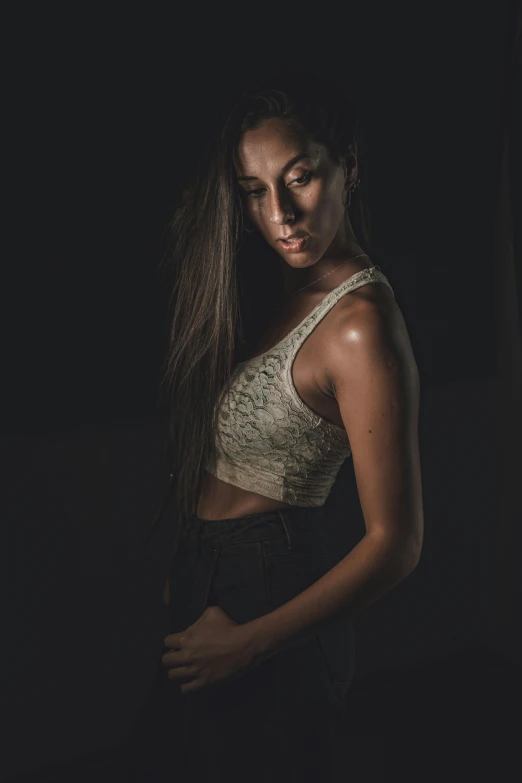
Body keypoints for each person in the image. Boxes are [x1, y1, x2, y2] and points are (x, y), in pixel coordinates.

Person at [129, 69, 424, 782]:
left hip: (273, 596)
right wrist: (195, 566)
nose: (281, 213)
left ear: (347, 170)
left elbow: (398, 542)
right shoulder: (281, 289)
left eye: (300, 178)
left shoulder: (359, 324)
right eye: (254, 191)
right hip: (214, 572)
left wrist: (251, 642)